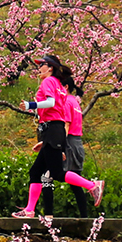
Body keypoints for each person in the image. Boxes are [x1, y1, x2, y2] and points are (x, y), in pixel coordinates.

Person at [12, 55, 102, 219]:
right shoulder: (59, 85)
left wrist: (30, 105)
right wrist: (46, 141)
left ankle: (92, 185)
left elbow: (51, 103)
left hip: (53, 129)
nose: (38, 68)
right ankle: (29, 210)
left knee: (58, 173)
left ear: (50, 67)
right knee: (36, 171)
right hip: (53, 130)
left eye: (41, 65)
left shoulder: (48, 81)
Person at [41, 78, 92, 218]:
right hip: (77, 143)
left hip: (67, 142)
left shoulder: (66, 102)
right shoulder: (75, 102)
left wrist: (61, 147)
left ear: (66, 86)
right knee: (75, 182)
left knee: (47, 176)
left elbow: (66, 125)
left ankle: (48, 215)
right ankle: (84, 217)